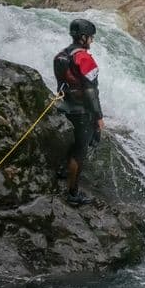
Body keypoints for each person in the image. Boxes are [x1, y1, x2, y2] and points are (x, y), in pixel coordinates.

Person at [53, 18, 104, 206]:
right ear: (83, 38)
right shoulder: (84, 58)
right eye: (90, 38)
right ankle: (73, 194)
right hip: (82, 111)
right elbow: (90, 91)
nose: (92, 41)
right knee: (80, 152)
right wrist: (98, 116)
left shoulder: (60, 55)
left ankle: (63, 170)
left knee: (74, 143)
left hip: (65, 106)